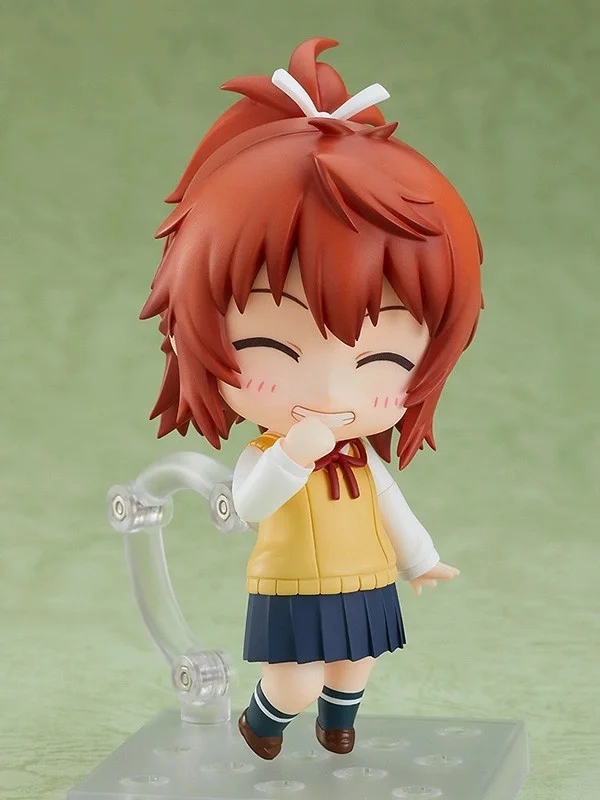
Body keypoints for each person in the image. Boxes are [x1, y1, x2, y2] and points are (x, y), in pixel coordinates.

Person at [140, 37, 483, 760]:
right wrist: (293, 455)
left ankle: (339, 722)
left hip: (365, 577)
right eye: (277, 350)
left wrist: (420, 559)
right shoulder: (272, 450)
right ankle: (264, 722)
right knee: (292, 679)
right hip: (293, 584)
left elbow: (392, 506)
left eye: (383, 360)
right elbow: (251, 505)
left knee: (357, 662)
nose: (330, 391)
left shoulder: (361, 459)